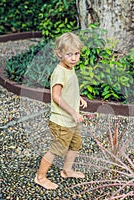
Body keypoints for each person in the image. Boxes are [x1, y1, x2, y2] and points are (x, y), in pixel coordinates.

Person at [34, 32, 87, 190]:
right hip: (61, 121)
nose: (74, 58)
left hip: (72, 120)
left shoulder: (70, 68)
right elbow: (56, 97)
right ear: (59, 54)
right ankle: (40, 177)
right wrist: (73, 112)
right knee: (55, 150)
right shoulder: (59, 72)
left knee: (75, 145)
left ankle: (67, 170)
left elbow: (69, 90)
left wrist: (79, 98)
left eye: (76, 54)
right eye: (69, 54)